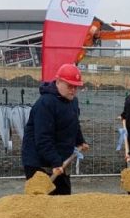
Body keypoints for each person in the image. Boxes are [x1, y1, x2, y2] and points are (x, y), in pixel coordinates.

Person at [21, 63, 89, 196]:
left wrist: (80, 141)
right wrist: (55, 162)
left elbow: (74, 124)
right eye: (69, 86)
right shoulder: (45, 103)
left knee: (63, 199)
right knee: (42, 202)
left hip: (59, 160)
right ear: (58, 82)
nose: (73, 90)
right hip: (38, 163)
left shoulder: (72, 101)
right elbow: (43, 138)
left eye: (76, 87)